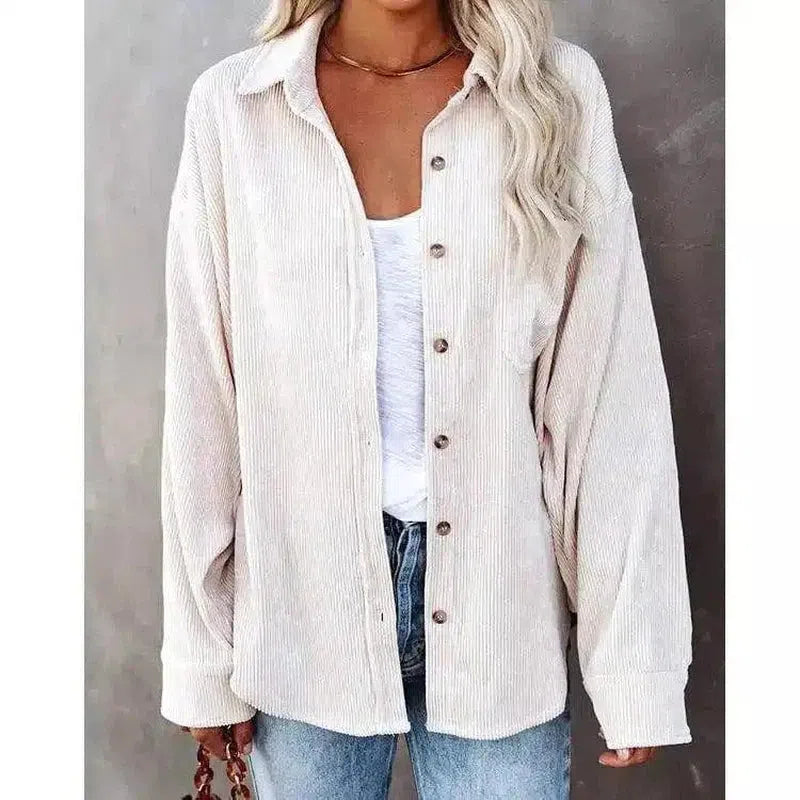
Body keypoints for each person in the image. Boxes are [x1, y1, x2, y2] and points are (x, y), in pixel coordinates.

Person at [159, 0, 693, 796]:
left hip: (500, 605)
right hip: (300, 607)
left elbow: (608, 395)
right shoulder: (236, 108)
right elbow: (204, 398)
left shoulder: (554, 91)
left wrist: (634, 665)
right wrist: (203, 659)